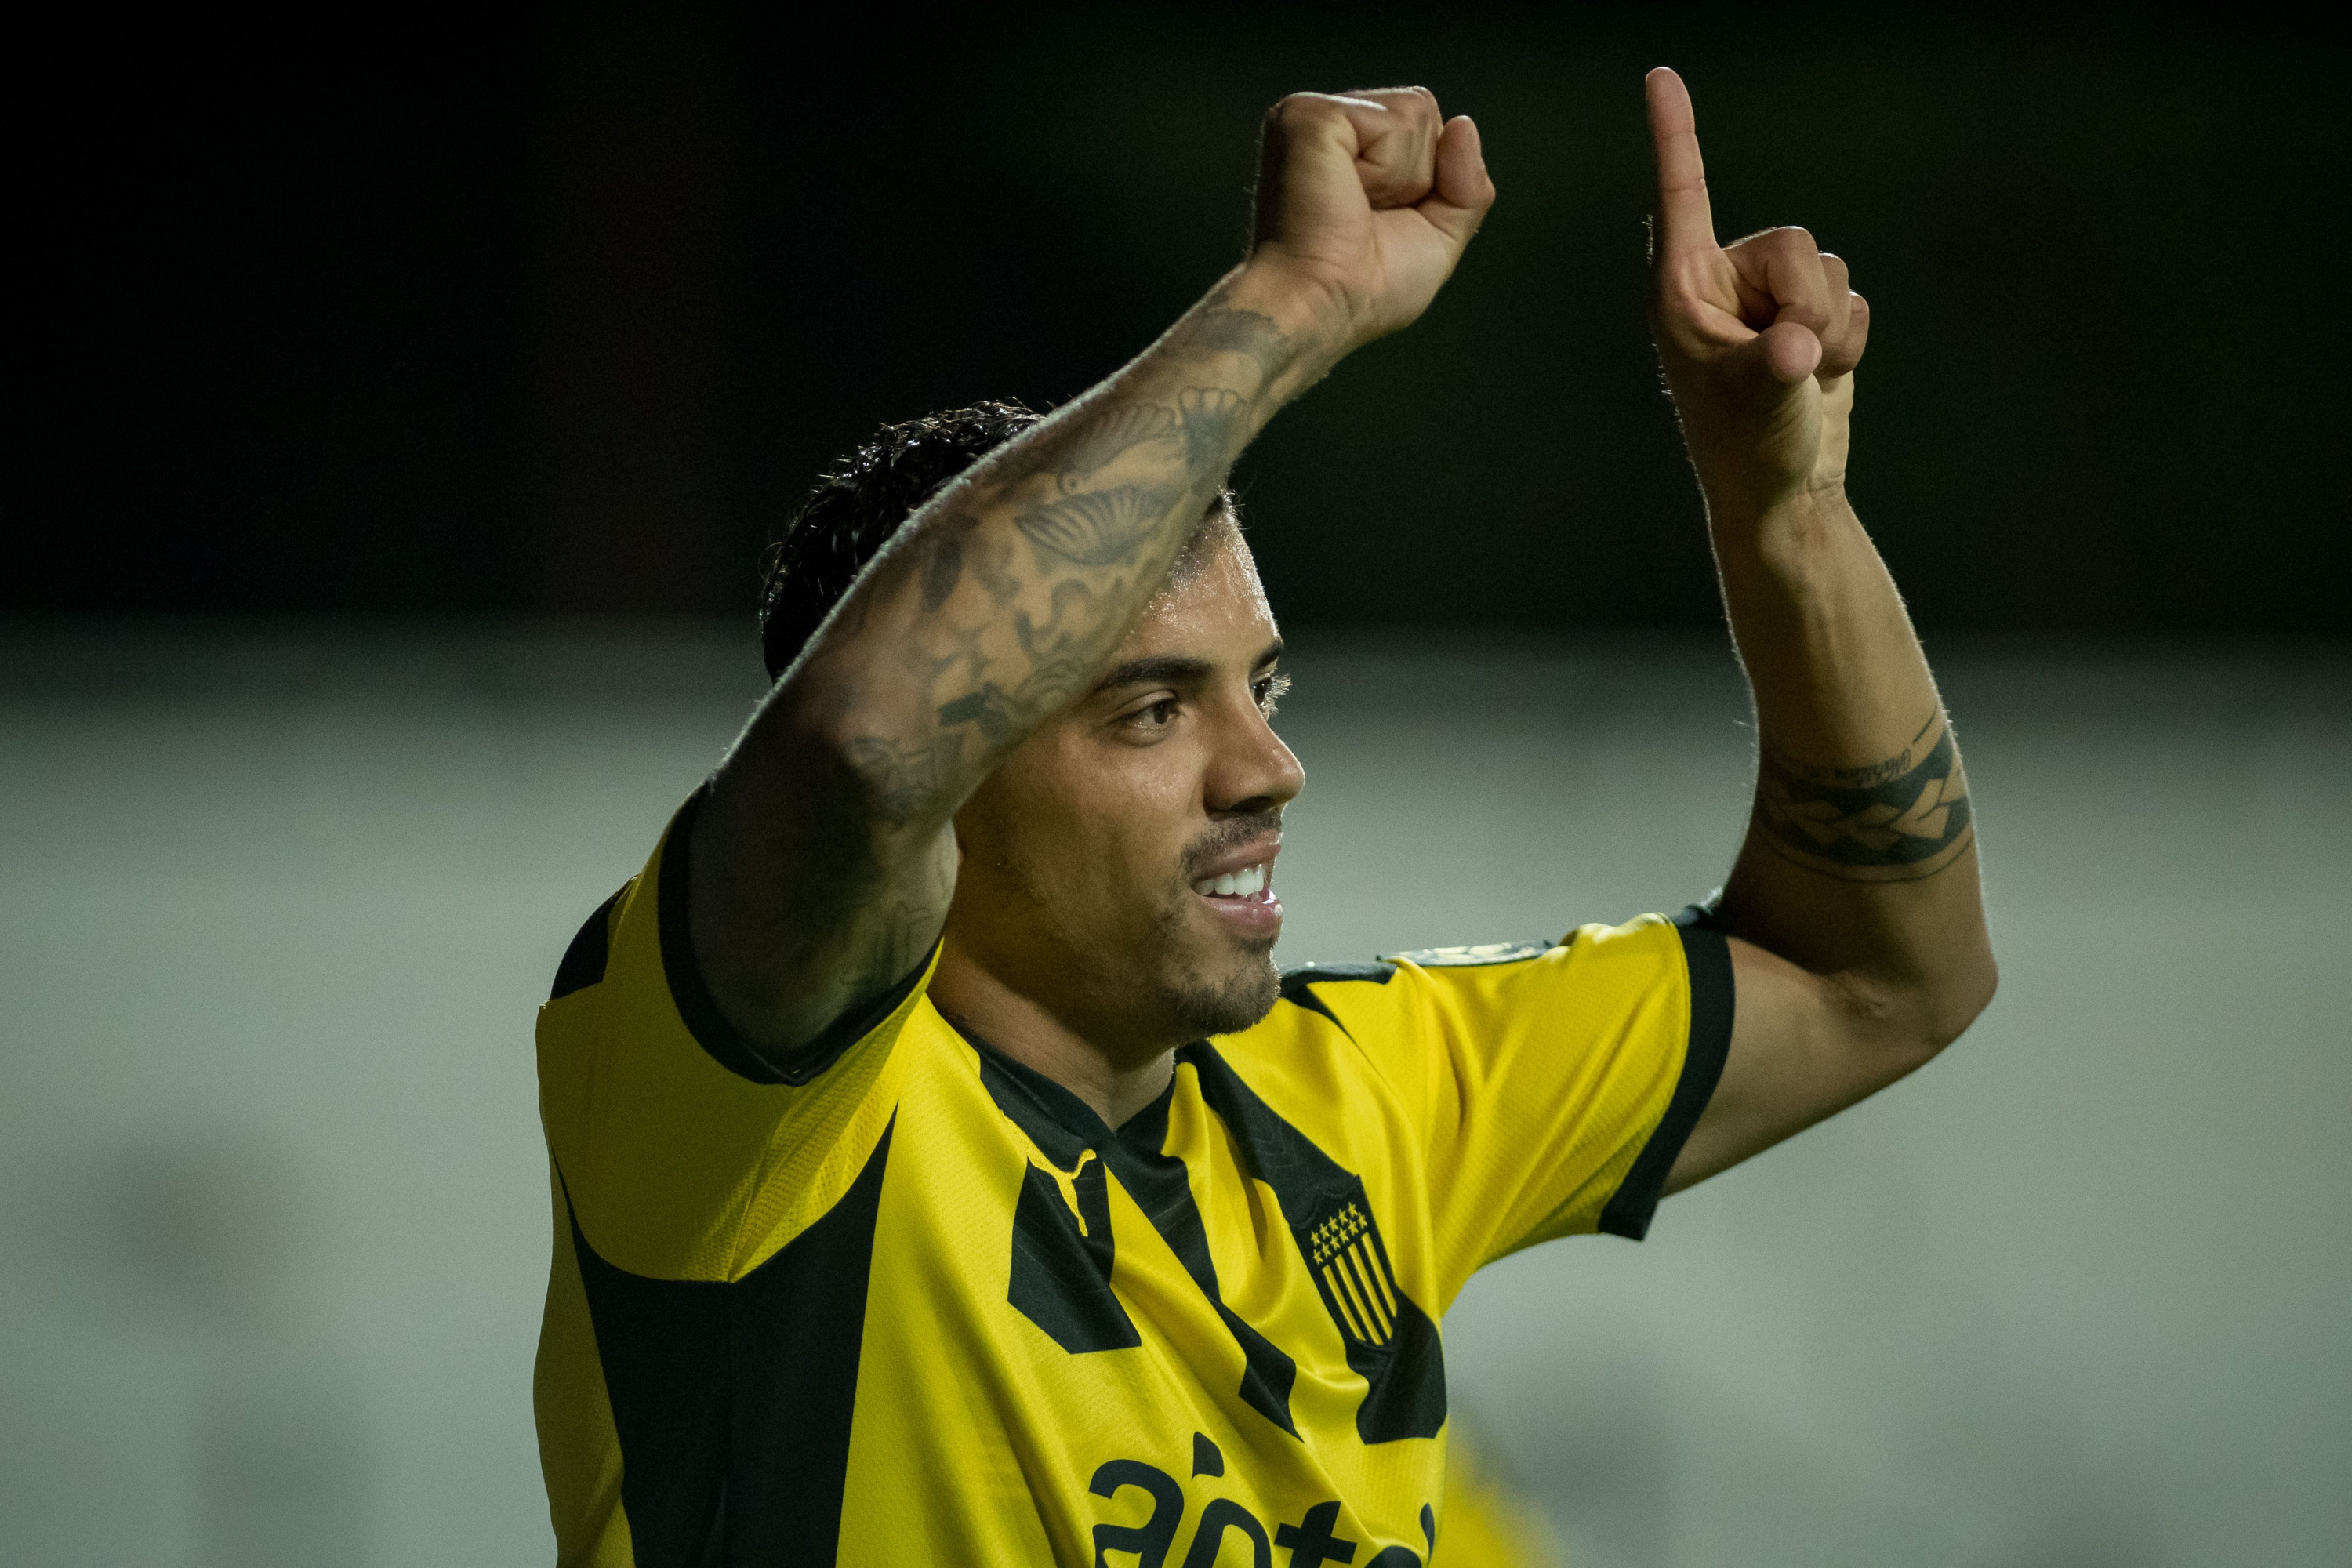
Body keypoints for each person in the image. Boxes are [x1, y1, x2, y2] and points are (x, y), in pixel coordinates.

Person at [532, 69, 1996, 1566]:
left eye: (1264, 691)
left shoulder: (1360, 1096)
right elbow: (859, 748)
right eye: (1153, 710)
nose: (1268, 770)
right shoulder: (759, 1125)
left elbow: (1879, 977)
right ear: (958, 792)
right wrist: (1293, 306)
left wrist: (1787, 518)